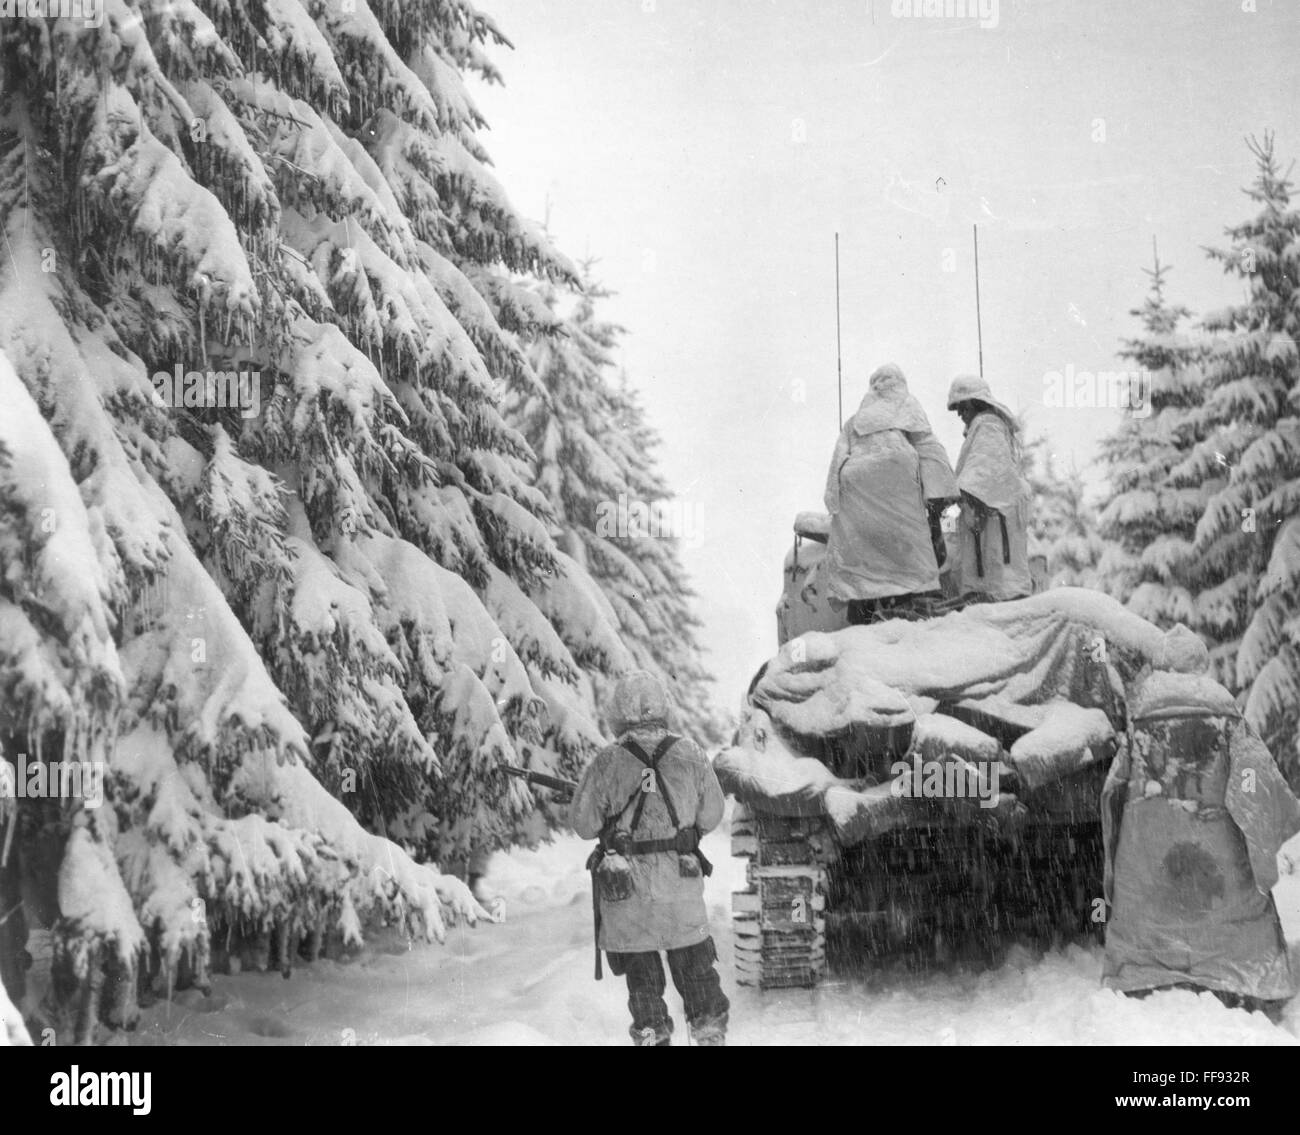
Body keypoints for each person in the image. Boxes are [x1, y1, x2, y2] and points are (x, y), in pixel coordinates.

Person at [1101, 626, 1300, 1013]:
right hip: (1216, 841)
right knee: (1230, 902)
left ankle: (1144, 972)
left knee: (1149, 900)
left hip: (1150, 845)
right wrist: (1262, 838)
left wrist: (1117, 855)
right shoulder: (1223, 712)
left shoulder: (1140, 716)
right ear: (1200, 663)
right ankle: (1239, 974)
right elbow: (1250, 778)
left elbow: (1113, 789)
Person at [570, 671, 729, 1046]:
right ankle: (708, 1033)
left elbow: (583, 823)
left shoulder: (608, 761)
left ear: (618, 712)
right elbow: (712, 813)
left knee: (642, 982)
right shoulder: (690, 753)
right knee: (695, 969)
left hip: (629, 894)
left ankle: (652, 1035)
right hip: (680, 885)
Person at [823, 364, 957, 623]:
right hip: (898, 481)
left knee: (862, 565)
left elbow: (837, 462)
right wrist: (941, 501)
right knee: (913, 562)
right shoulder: (907, 405)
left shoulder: (855, 420)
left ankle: (863, 611)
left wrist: (833, 500)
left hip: (856, 486)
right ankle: (910, 603)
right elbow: (930, 451)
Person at [947, 374, 1032, 601]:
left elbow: (984, 476)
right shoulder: (986, 426)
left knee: (998, 585)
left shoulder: (987, 425)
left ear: (975, 403)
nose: (959, 414)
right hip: (994, 518)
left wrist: (956, 495)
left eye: (962, 407)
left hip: (992, 521)